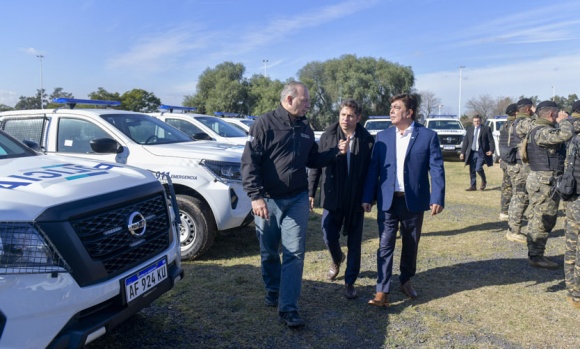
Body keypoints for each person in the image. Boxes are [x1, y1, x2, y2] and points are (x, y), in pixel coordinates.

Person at [241, 81, 348, 328]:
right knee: (269, 251)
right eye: (305, 101)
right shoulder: (264, 124)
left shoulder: (305, 127)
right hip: (267, 200)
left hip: (297, 199)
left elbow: (312, 159)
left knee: (294, 253)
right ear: (289, 99)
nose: (309, 105)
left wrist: (335, 153)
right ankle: (272, 289)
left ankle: (288, 308)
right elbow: (249, 163)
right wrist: (255, 196)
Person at [362, 93, 445, 307]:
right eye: (391, 107)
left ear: (409, 112)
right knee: (385, 244)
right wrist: (368, 197)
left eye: (396, 108)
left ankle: (406, 279)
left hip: (414, 201)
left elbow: (436, 169)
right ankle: (382, 291)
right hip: (388, 201)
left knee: (411, 243)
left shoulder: (428, 136)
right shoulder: (382, 137)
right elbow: (374, 170)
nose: (391, 111)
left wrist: (437, 196)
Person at [308, 99, 374, 299]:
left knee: (355, 241)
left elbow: (372, 173)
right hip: (332, 195)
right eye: (343, 115)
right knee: (328, 233)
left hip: (356, 199)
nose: (346, 119)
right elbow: (316, 165)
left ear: (358, 117)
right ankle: (337, 258)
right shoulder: (328, 136)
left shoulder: (368, 140)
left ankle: (350, 282)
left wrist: (369, 197)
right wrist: (311, 192)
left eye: (350, 116)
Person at [524, 100, 573, 269]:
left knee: (537, 217)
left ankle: (534, 253)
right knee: (544, 220)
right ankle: (536, 256)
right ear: (552, 114)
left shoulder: (535, 129)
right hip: (544, 181)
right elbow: (565, 135)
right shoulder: (542, 132)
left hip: (541, 180)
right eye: (557, 113)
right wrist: (565, 121)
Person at [505, 98, 536, 244]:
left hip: (516, 165)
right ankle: (514, 231)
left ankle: (513, 229)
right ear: (529, 109)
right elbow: (541, 129)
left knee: (518, 196)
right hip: (520, 166)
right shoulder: (525, 122)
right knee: (521, 197)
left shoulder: (516, 121)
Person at [460, 115, 494, 191]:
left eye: (478, 121)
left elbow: (491, 141)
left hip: (481, 152)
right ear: (473, 122)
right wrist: (462, 152)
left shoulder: (486, 129)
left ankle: (484, 181)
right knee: (472, 169)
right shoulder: (469, 129)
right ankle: (473, 186)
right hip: (472, 152)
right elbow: (466, 142)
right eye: (475, 121)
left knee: (478, 168)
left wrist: (491, 150)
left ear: (481, 121)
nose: (477, 123)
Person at [498, 104, 518, 220]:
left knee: (506, 186)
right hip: (513, 160)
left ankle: (504, 211)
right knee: (516, 188)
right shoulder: (516, 125)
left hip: (505, 158)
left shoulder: (504, 125)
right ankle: (511, 211)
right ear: (516, 112)